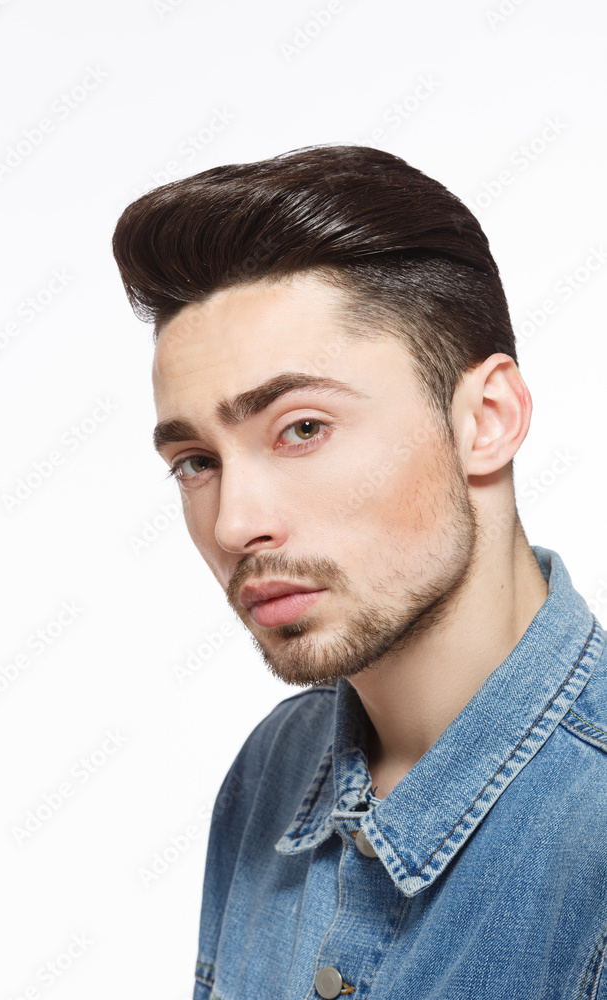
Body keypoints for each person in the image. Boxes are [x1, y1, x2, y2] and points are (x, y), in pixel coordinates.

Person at [112, 145, 607, 999]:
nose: (234, 524)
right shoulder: (276, 765)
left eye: (301, 428)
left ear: (485, 419)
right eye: (195, 460)